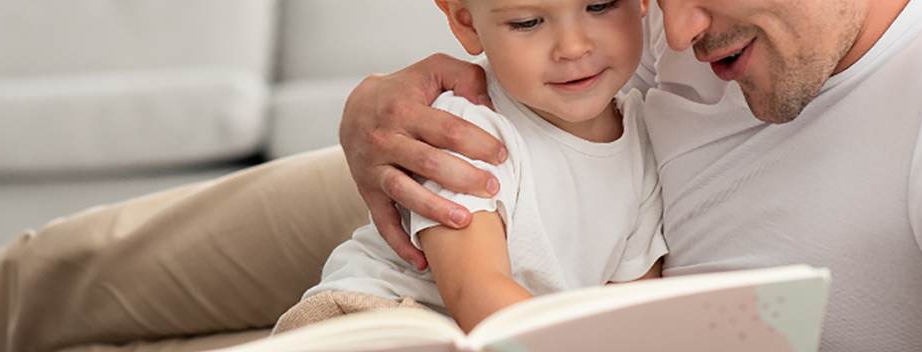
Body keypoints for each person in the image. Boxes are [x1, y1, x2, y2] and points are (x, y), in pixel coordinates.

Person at [338, 0, 922, 351]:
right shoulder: (689, 23)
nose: (678, 29)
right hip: (466, 196)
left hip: (554, 253)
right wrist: (368, 111)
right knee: (211, 253)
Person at [273, 0, 665, 334]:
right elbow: (475, 292)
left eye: (600, 5)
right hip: (376, 316)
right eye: (527, 22)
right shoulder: (468, 127)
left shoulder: (645, 140)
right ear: (465, 21)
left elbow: (632, 305)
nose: (573, 46)